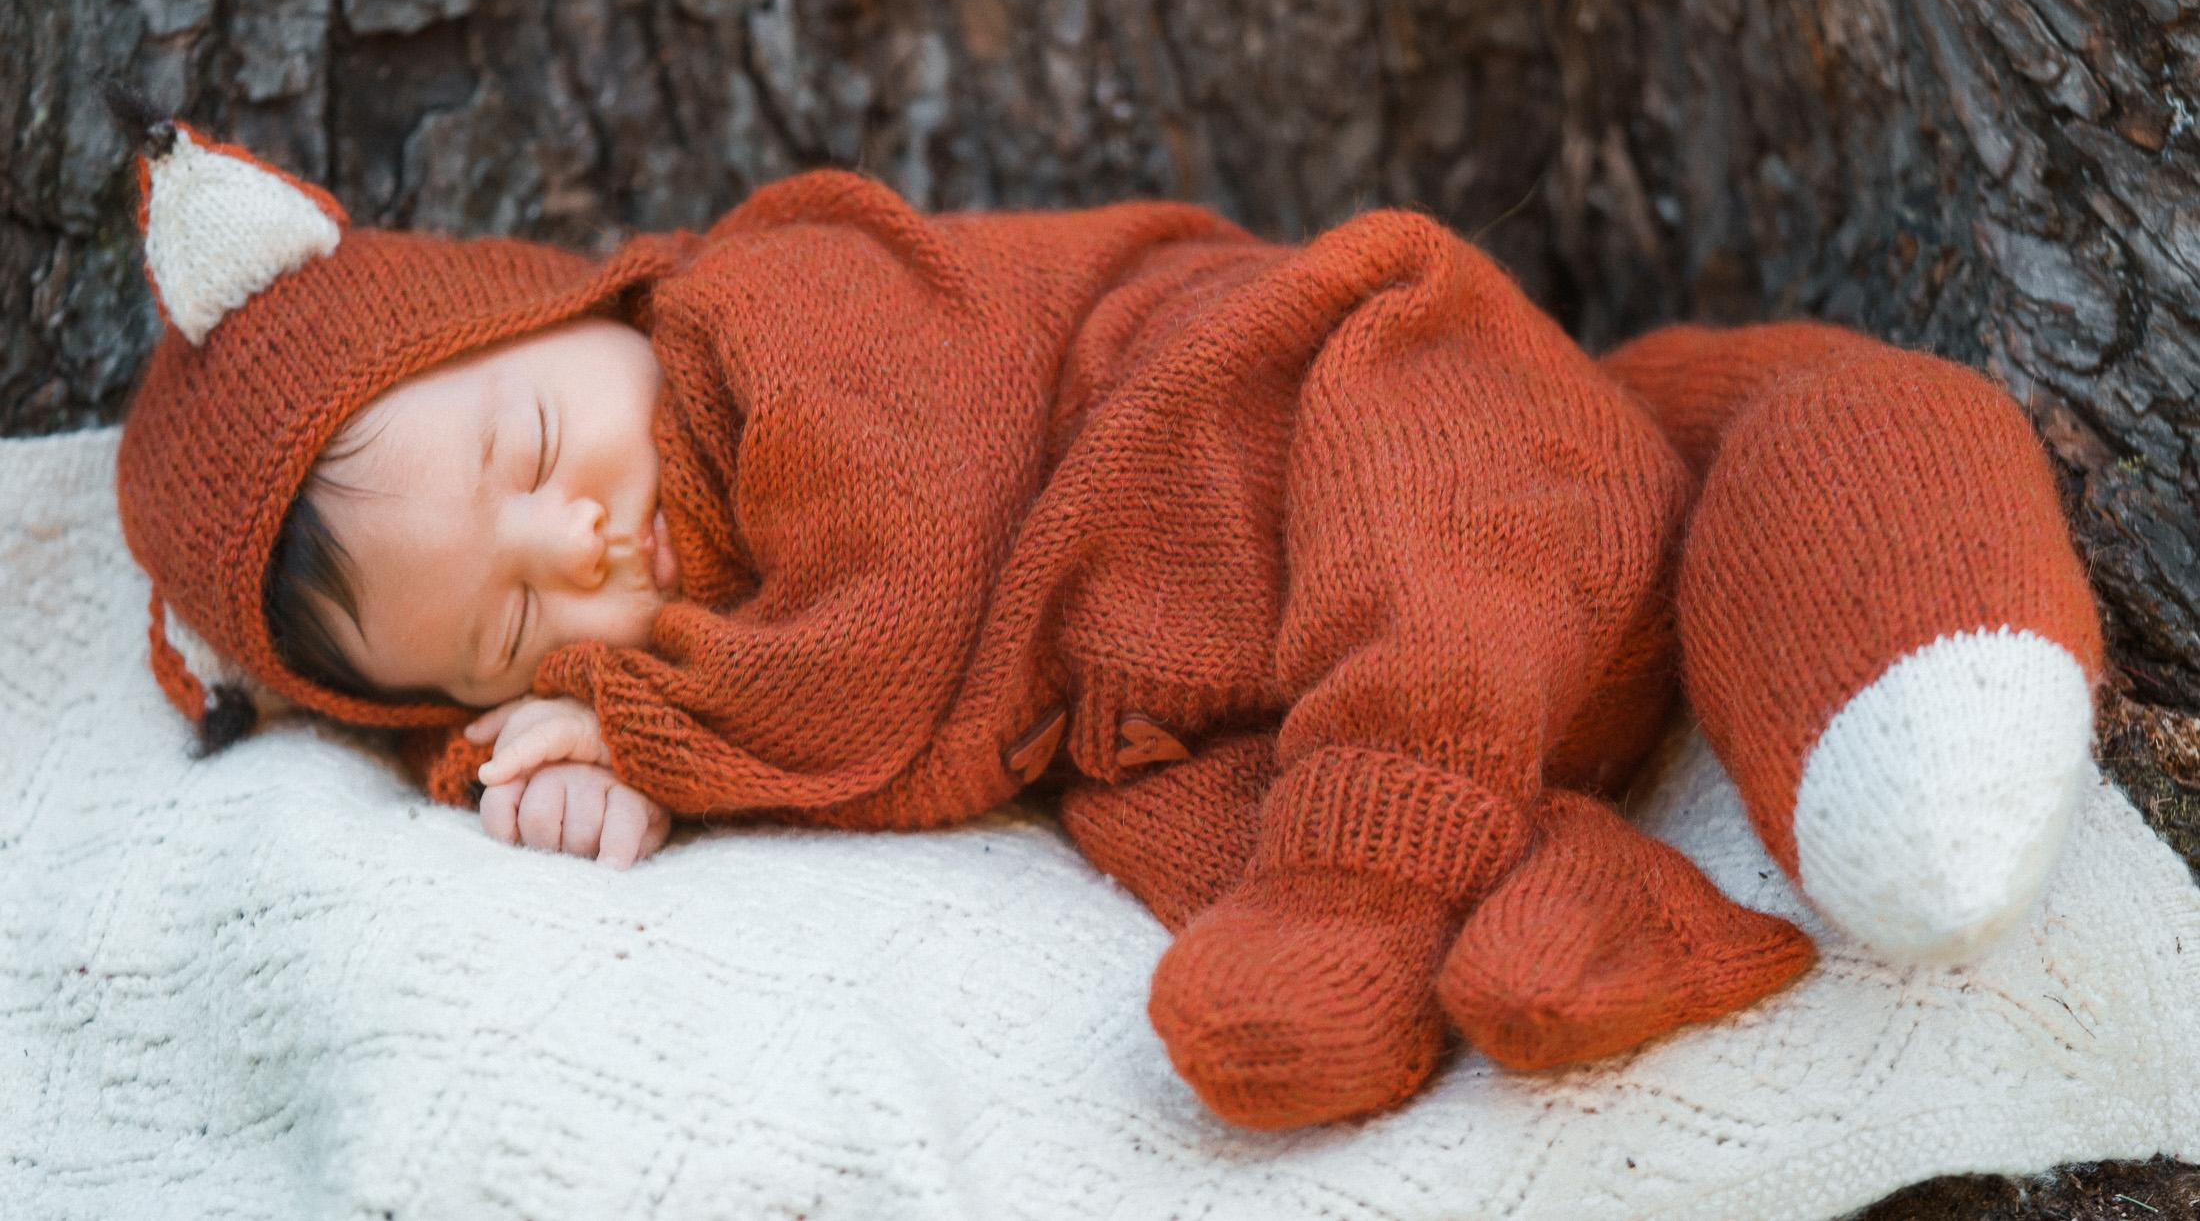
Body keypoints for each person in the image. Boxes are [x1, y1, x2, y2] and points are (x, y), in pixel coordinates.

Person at [114, 108, 2105, 1131]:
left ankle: (1377, 860)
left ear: (564, 310)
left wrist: (655, 734)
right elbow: (818, 710)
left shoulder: (771, 309)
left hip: (1321, 405)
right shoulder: (658, 639)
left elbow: (885, 648)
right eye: (514, 622)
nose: (581, 537)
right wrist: (534, 758)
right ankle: (1549, 898)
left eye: (535, 443)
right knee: (1155, 817)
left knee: (1415, 504)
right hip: (1194, 686)